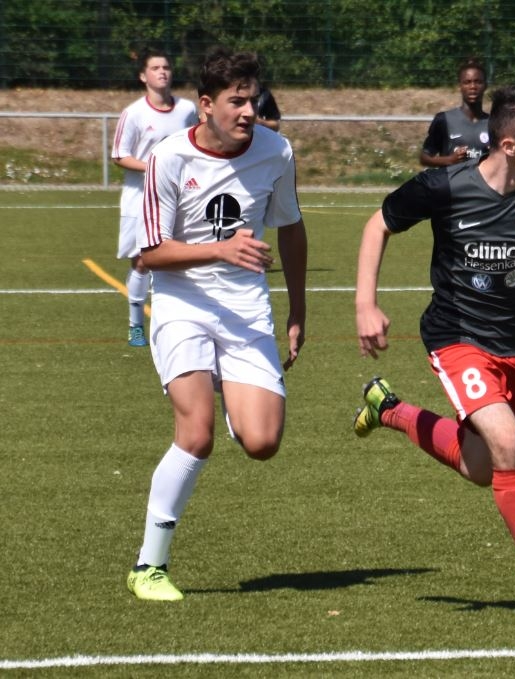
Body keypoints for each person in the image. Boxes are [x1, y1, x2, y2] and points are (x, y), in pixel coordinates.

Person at [355, 85, 515, 622]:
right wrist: (366, 303)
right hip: (456, 336)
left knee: (482, 467)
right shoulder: (446, 186)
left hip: (514, 345)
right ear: (510, 145)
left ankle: (390, 409)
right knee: (509, 442)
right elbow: (379, 224)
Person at [125, 47, 308, 602]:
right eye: (237, 101)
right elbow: (149, 255)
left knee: (262, 442)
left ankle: (233, 393)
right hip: (182, 304)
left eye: (253, 100)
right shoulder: (169, 157)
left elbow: (291, 227)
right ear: (206, 105)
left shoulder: (276, 151)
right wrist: (220, 251)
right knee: (196, 435)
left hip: (246, 309)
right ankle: (149, 566)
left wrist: (298, 309)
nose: (249, 111)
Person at [111, 48, 199, 347]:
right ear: (143, 76)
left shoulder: (187, 109)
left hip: (180, 196)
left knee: (181, 259)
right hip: (140, 198)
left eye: (166, 67)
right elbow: (119, 155)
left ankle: (180, 323)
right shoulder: (134, 113)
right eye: (155, 68)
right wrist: (154, 167)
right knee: (141, 261)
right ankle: (135, 325)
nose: (162, 72)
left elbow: (195, 144)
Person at [418, 58, 490, 167]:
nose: (473, 87)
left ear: (485, 86)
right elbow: (424, 158)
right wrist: (450, 160)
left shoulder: (494, 123)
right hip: (452, 178)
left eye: (478, 82)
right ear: (459, 86)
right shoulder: (444, 120)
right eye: (467, 82)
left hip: (482, 179)